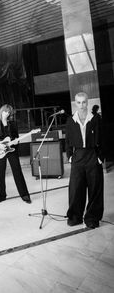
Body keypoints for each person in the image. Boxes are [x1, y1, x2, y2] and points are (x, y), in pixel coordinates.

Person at [65, 92, 104, 229]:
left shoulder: (95, 119)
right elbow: (68, 140)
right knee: (76, 189)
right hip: (78, 156)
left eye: (84, 102)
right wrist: (70, 156)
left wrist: (100, 157)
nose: (81, 105)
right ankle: (75, 216)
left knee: (95, 189)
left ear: (87, 103)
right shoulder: (71, 120)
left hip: (92, 155)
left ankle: (92, 218)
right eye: (79, 102)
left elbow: (104, 138)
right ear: (75, 103)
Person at [0, 104, 31, 204]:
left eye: (9, 112)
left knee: (17, 171)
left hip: (12, 150)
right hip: (0, 150)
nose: (7, 113)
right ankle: (1, 196)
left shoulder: (13, 124)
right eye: (5, 111)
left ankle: (24, 195)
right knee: (1, 173)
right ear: (1, 111)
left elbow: (16, 137)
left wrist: (15, 142)